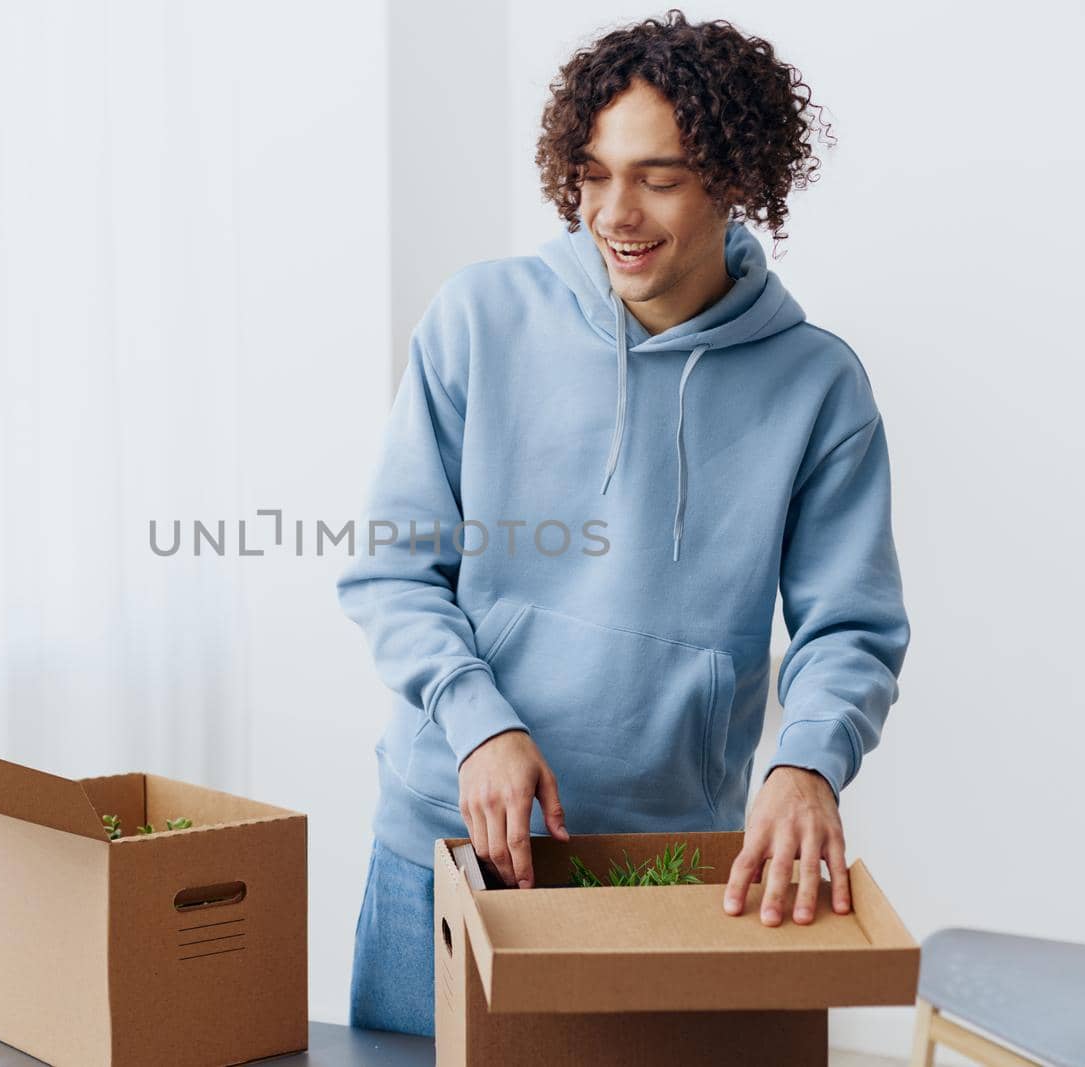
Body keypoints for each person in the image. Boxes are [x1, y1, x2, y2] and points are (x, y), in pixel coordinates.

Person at [335, 9, 910, 1037]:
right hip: (449, 838)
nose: (614, 211)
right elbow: (392, 567)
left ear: (734, 178)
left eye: (658, 175)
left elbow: (849, 626)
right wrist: (478, 720)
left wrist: (807, 761)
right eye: (593, 173)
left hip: (667, 861)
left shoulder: (816, 384)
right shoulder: (478, 318)